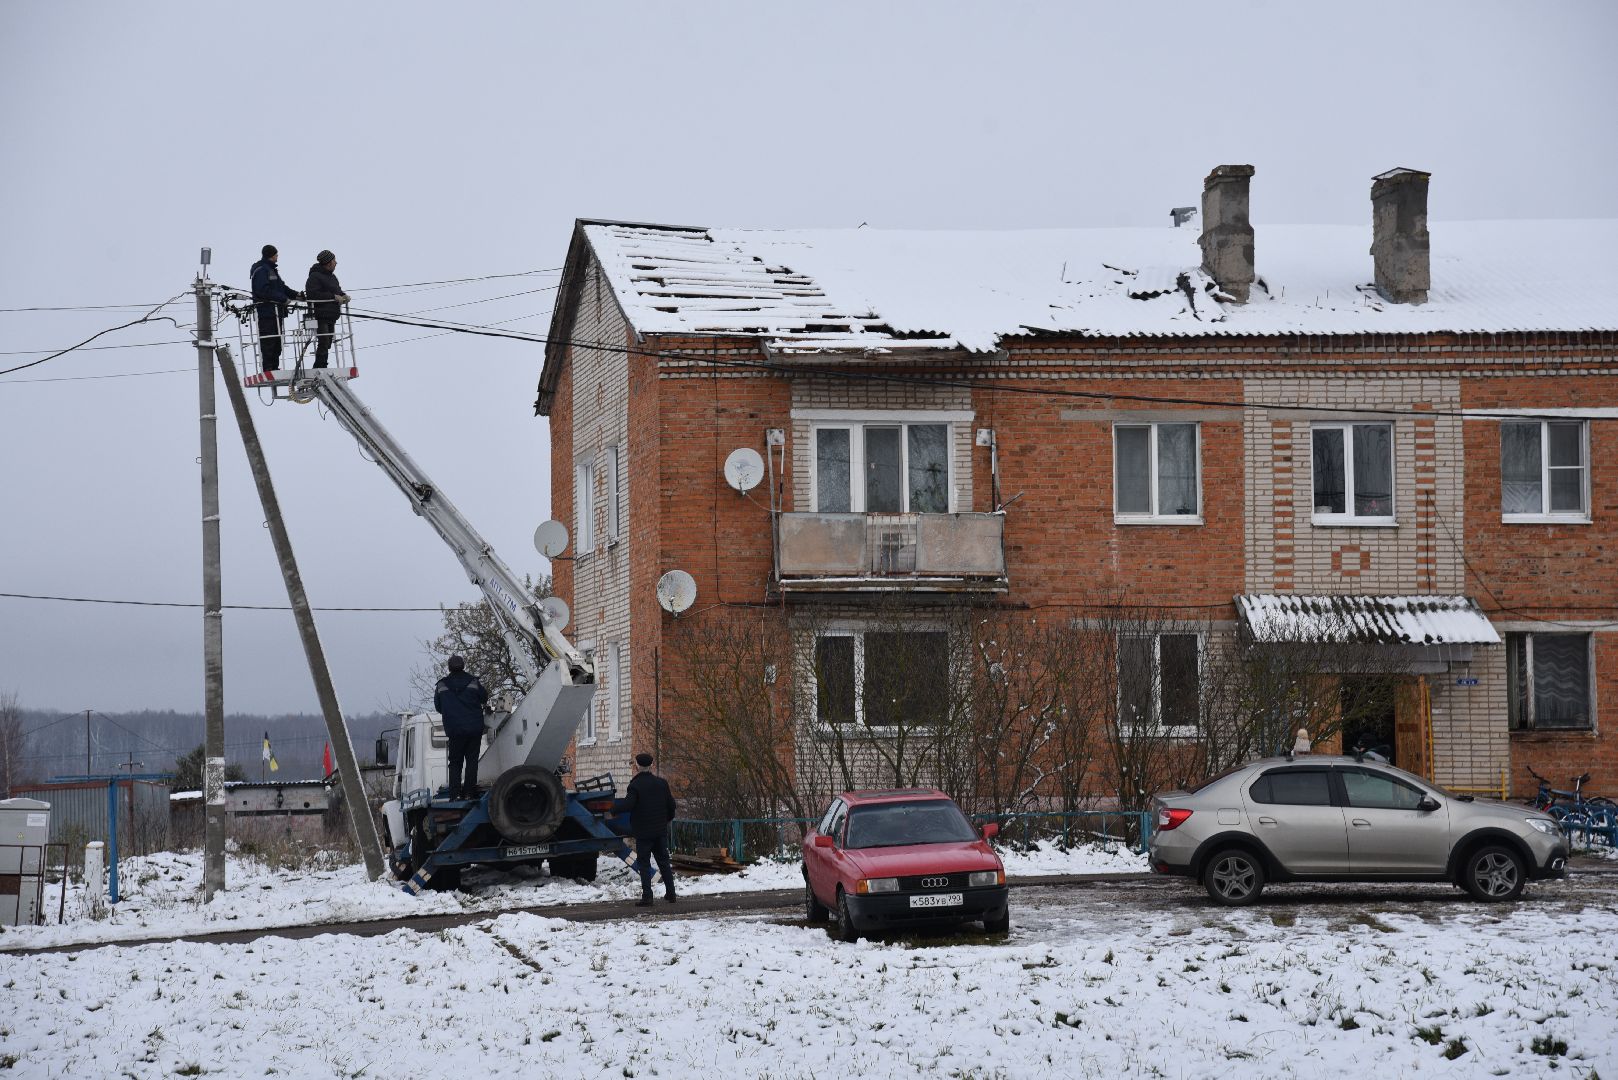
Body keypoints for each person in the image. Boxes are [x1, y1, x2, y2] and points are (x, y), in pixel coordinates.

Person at [624, 751, 677, 906]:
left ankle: (648, 897)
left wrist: (613, 809)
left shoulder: (635, 785)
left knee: (644, 864)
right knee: (664, 862)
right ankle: (671, 894)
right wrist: (666, 820)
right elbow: (671, 806)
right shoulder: (662, 783)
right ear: (651, 765)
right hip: (660, 831)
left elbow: (628, 805)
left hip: (643, 833)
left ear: (638, 766)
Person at [434, 655, 488, 800]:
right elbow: (484, 698)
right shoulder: (473, 682)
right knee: (471, 761)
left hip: (455, 730)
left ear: (449, 667)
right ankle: (469, 793)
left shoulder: (441, 685)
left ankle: (456, 794)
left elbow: (439, 707)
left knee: (455, 763)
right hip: (474, 729)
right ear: (463, 666)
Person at [248, 245, 301, 372]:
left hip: (276, 313)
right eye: (276, 255)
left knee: (277, 341)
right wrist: (283, 299)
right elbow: (263, 290)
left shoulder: (271, 270)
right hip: (267, 313)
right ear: (271, 255)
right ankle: (268, 368)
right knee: (269, 341)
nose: (277, 257)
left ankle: (274, 367)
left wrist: (297, 295)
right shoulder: (262, 270)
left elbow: (282, 287)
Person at [303, 249, 350, 368]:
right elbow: (313, 294)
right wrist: (333, 297)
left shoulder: (332, 277)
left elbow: (337, 290)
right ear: (328, 262)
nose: (336, 263)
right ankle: (320, 365)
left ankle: (322, 364)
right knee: (323, 341)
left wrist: (343, 295)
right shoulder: (314, 277)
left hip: (331, 315)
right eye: (334, 260)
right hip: (320, 315)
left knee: (328, 342)